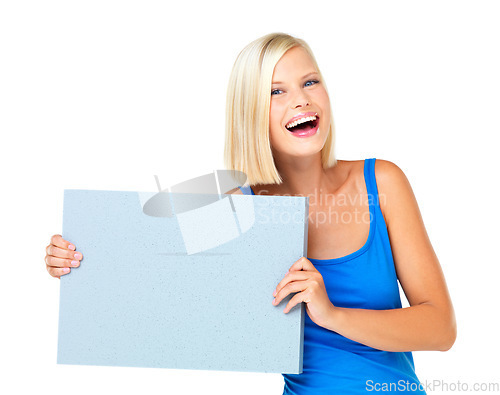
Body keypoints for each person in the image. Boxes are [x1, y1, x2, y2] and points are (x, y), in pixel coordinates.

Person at [45, 32, 456, 394]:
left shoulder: (381, 183)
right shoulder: (243, 208)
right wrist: (76, 259)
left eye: (310, 81)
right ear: (251, 113)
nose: (302, 99)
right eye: (276, 92)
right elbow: (143, 260)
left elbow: (441, 329)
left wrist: (330, 314)